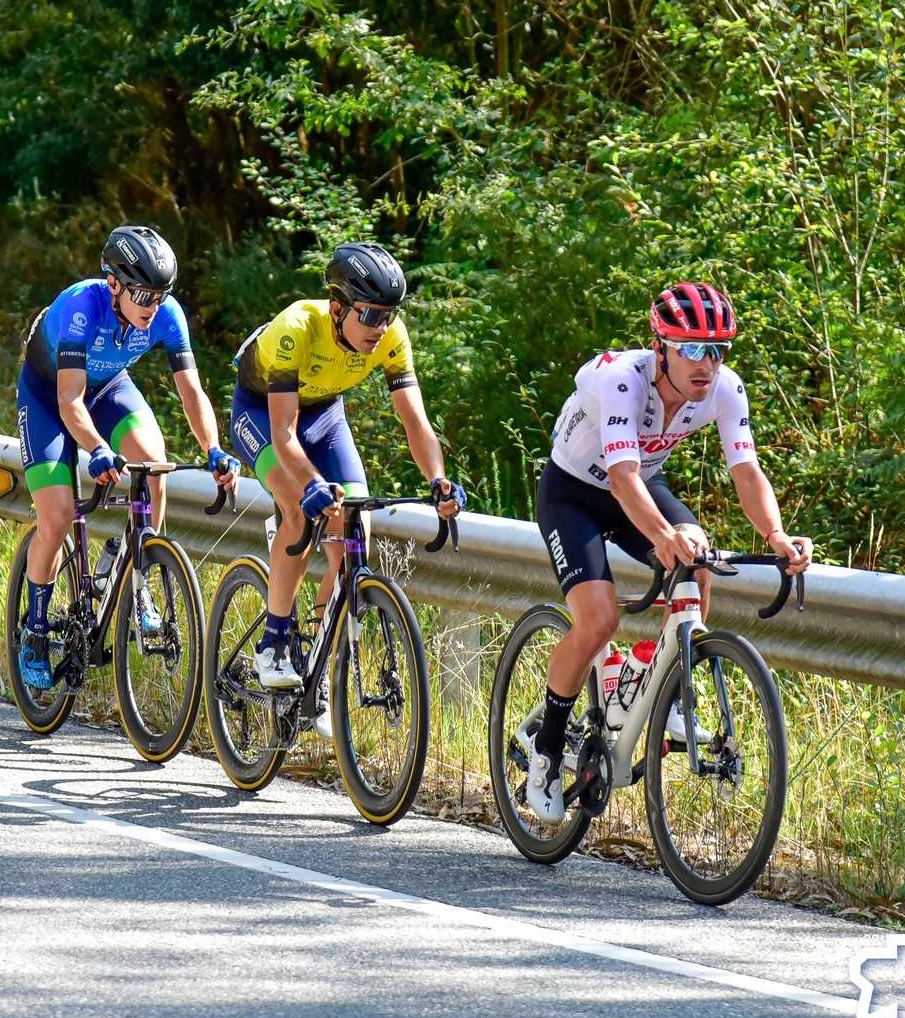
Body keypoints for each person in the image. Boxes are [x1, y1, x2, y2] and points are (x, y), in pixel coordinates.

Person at [523, 280, 813, 823]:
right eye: (694, 350)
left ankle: (666, 690)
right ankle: (546, 750)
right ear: (661, 347)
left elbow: (746, 470)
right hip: (575, 493)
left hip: (638, 486)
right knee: (598, 619)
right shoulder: (621, 381)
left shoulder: (726, 389)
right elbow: (622, 474)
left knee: (697, 564)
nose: (708, 364)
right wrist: (662, 537)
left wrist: (776, 535)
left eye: (719, 350)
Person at [228, 242, 463, 716]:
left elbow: (416, 423)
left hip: (326, 417)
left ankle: (315, 651)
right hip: (264, 414)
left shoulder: (391, 336)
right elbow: (283, 432)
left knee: (355, 530)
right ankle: (273, 641)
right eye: (370, 315)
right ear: (337, 307)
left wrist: (438, 479)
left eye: (389, 315)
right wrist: (312, 483)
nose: (381, 327)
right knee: (297, 507)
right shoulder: (297, 327)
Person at [16, 225, 239, 689]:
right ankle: (35, 630)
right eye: (141, 294)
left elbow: (192, 391)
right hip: (50, 395)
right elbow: (69, 402)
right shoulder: (81, 307)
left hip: (109, 388)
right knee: (55, 520)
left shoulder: (165, 314)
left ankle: (136, 569)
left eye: (159, 296)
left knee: (155, 464)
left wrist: (214, 449)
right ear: (114, 284)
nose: (151, 306)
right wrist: (97, 449)